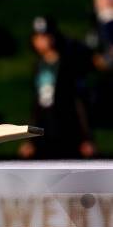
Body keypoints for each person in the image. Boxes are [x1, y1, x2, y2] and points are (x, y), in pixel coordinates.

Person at [18, 16, 96, 159]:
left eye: (45, 36)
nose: (41, 41)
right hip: (44, 131)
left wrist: (86, 138)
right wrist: (30, 140)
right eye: (37, 37)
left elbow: (78, 100)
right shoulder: (38, 66)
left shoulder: (68, 64)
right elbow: (37, 105)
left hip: (68, 130)